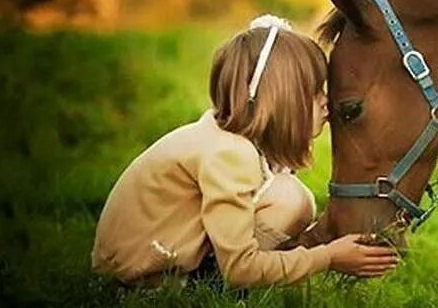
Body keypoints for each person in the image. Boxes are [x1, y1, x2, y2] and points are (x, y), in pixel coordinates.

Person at [91, 15, 398, 288]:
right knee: (290, 201)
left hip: (147, 256)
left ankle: (210, 277)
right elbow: (241, 268)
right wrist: (327, 257)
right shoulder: (230, 154)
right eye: (314, 90)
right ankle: (208, 286)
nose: (325, 101)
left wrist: (321, 238)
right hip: (140, 273)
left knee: (292, 198)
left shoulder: (229, 139)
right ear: (282, 98)